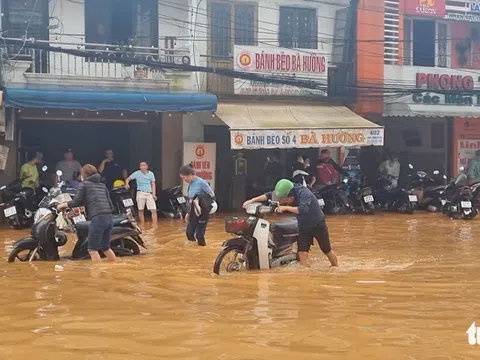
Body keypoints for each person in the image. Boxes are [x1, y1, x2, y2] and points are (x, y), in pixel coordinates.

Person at [243, 179, 338, 267]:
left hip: (318, 224)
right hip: (304, 226)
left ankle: (335, 268)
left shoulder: (304, 193)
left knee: (326, 250)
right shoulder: (286, 191)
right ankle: (307, 276)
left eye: (282, 199)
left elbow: (304, 209)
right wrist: (251, 200)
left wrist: (285, 208)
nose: (280, 201)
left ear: (290, 197)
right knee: (302, 253)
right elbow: (268, 195)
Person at [56, 164, 116, 262]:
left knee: (92, 249)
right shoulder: (102, 185)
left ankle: (97, 275)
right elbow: (110, 205)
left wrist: (62, 205)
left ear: (84, 174)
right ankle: (113, 269)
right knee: (105, 247)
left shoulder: (84, 185)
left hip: (98, 219)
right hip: (109, 218)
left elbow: (75, 202)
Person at [179, 165, 215, 247]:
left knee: (199, 235)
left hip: (203, 210)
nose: (184, 180)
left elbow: (212, 195)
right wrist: (188, 212)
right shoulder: (190, 184)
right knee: (189, 233)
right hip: (193, 210)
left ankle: (202, 249)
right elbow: (190, 199)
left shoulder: (201, 182)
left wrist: (201, 199)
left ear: (190, 175)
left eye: (184, 178)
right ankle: (194, 251)